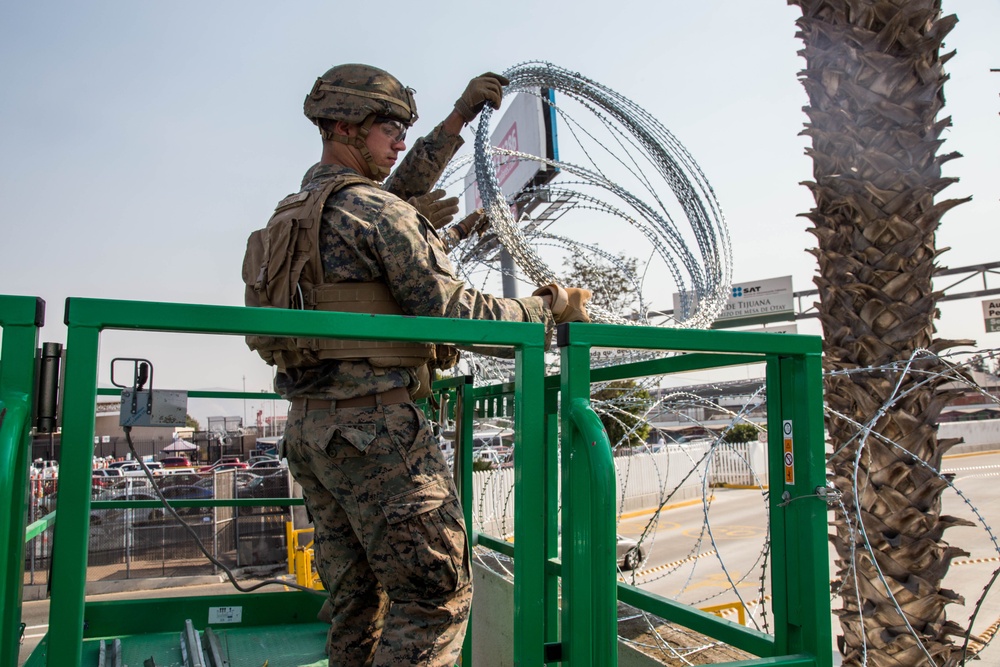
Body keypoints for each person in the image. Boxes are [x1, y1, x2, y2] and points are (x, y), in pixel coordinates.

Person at [261, 63, 590, 667]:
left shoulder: (297, 210)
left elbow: (398, 188)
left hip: (312, 431)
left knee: (358, 599)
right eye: (389, 127)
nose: (400, 141)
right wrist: (543, 308)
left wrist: (460, 116)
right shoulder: (377, 212)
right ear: (344, 125)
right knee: (434, 596)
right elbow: (455, 315)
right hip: (376, 431)